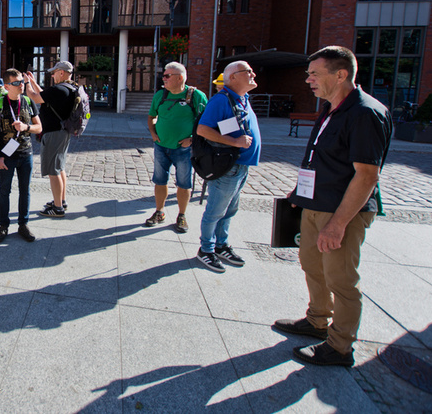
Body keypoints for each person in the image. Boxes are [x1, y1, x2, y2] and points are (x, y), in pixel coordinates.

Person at [274, 46, 391, 367]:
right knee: (312, 265)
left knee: (340, 279)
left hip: (342, 212)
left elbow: (367, 175)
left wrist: (337, 224)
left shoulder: (365, 113)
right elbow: (320, 159)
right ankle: (316, 321)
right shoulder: (332, 107)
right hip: (315, 204)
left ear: (340, 75)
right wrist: (299, 195)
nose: (308, 79)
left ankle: (340, 347)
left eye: (314, 74)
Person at [194, 61, 261, 273]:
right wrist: (235, 143)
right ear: (232, 77)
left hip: (241, 167)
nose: (253, 74)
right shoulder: (220, 100)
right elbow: (203, 129)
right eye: (247, 71)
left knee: (230, 210)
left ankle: (221, 245)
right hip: (228, 166)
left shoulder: (242, 99)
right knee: (215, 211)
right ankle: (206, 249)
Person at [145, 62, 207, 232]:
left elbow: (207, 123)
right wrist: (153, 133)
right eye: (163, 75)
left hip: (184, 149)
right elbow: (151, 117)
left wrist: (192, 139)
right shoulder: (160, 95)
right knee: (159, 180)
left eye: (167, 76)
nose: (163, 78)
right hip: (161, 146)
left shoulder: (196, 96)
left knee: (184, 183)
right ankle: (159, 211)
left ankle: (181, 215)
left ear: (180, 77)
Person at [0, 69, 42, 243]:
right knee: (4, 191)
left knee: (25, 191)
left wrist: (26, 128)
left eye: (22, 82)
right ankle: (3, 226)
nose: (21, 85)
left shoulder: (27, 102)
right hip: (6, 157)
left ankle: (23, 224)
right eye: (17, 83)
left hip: (26, 155)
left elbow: (39, 127)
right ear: (8, 86)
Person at [23, 61, 75, 217]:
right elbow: (45, 96)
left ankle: (57, 208)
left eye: (54, 72)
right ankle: (61, 200)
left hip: (53, 133)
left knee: (53, 170)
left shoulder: (59, 89)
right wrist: (33, 82)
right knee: (60, 167)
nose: (52, 75)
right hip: (62, 131)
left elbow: (34, 97)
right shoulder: (69, 88)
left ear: (61, 72)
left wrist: (26, 84)